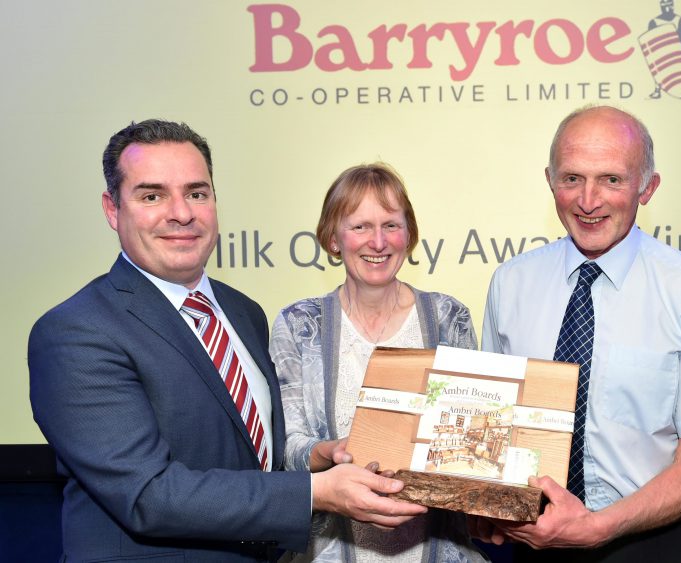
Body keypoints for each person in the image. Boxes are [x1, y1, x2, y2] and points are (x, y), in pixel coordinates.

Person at [28, 120, 427, 562]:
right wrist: (316, 492)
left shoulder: (244, 313)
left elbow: (251, 457)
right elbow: (149, 495)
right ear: (111, 208)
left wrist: (318, 456)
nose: (181, 213)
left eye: (197, 193)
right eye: (152, 195)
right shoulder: (77, 332)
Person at [473, 105, 681, 561]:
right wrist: (484, 506)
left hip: (650, 544)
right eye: (572, 178)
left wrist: (597, 527)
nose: (588, 200)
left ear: (647, 187)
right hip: (530, 542)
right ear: (549, 180)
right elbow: (491, 428)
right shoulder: (510, 283)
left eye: (612, 180)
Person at [270, 163, 486, 562]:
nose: (378, 241)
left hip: (436, 549)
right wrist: (332, 451)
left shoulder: (448, 318)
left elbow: (473, 443)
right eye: (360, 227)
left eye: (391, 225)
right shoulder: (301, 326)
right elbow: (288, 448)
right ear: (333, 239)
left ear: (409, 234)